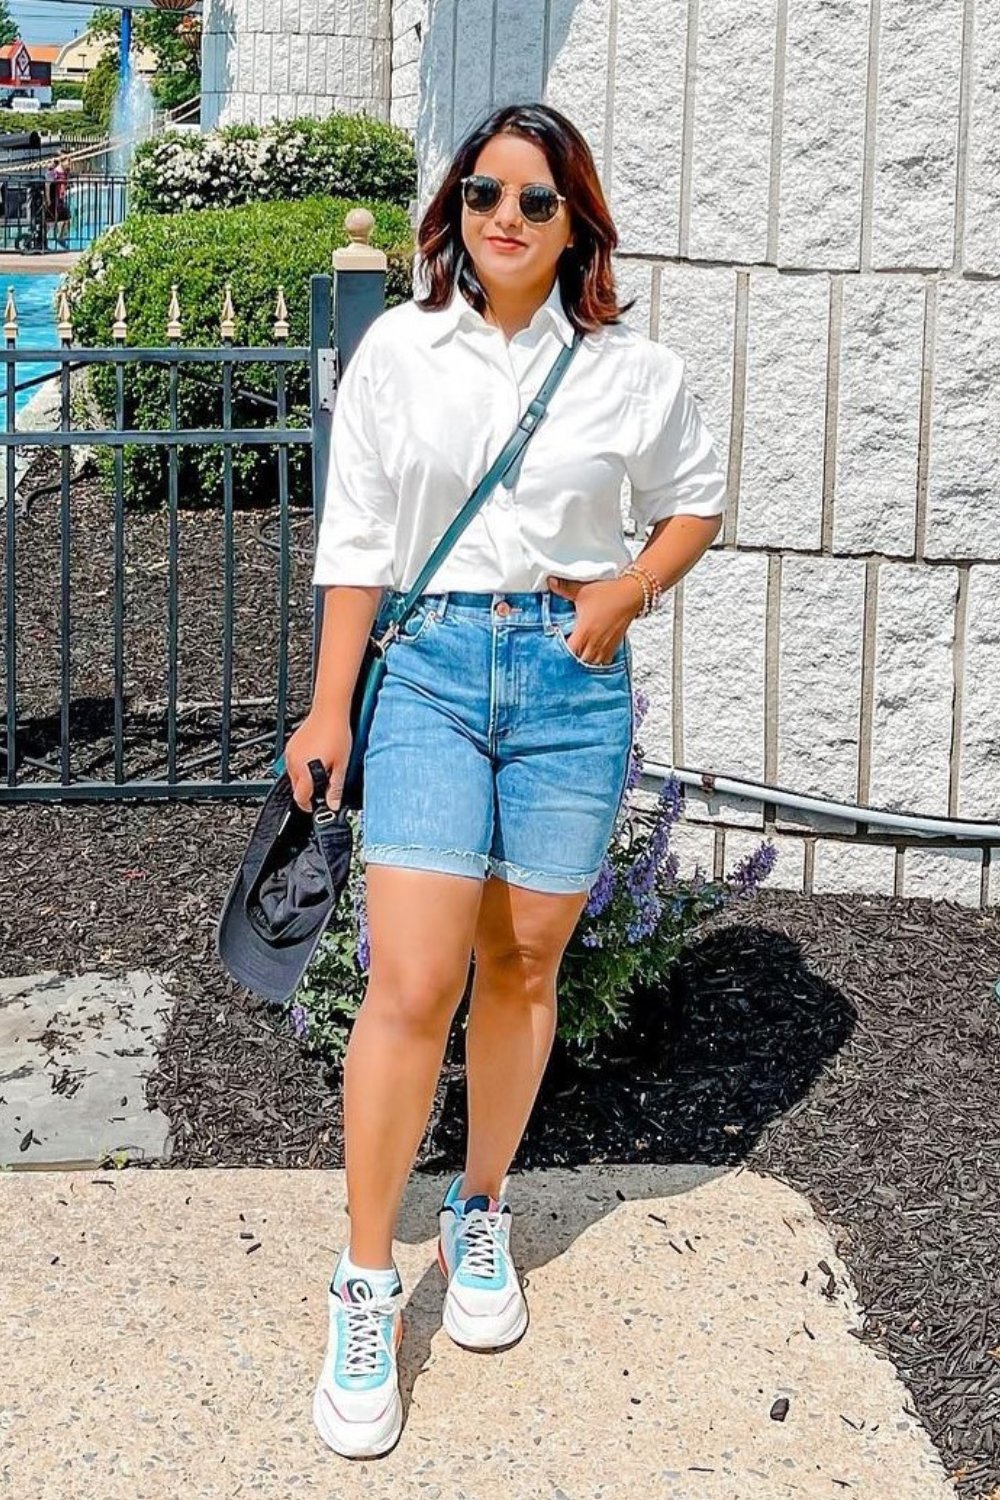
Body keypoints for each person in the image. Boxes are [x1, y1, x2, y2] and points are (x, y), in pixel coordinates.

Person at [283, 102, 727, 1461]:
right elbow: (357, 537)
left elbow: (694, 501)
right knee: (413, 980)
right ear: (455, 210)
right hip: (423, 672)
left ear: (576, 222)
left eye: (538, 202)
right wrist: (327, 703)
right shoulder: (399, 356)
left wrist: (624, 597)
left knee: (521, 969)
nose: (507, 220)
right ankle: (368, 1283)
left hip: (566, 684)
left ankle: (480, 1208)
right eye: (485, 193)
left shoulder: (633, 372)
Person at [44, 154, 71, 251]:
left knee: (66, 218)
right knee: (50, 221)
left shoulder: (64, 172)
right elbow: (48, 185)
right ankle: (44, 239)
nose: (69, 165)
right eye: (68, 162)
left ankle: (61, 237)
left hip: (60, 199)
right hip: (54, 199)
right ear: (62, 162)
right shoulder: (55, 173)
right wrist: (48, 199)